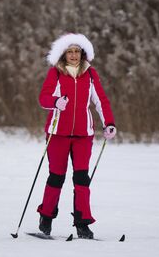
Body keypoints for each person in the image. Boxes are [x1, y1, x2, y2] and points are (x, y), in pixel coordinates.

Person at [36, 33, 116, 239]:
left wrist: (109, 123)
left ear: (83, 53)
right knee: (57, 177)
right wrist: (55, 103)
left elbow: (101, 101)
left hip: (83, 135)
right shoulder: (55, 73)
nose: (73, 55)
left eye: (77, 51)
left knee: (82, 178)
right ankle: (46, 217)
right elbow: (43, 97)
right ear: (64, 54)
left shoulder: (90, 74)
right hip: (58, 133)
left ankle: (82, 223)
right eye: (70, 51)